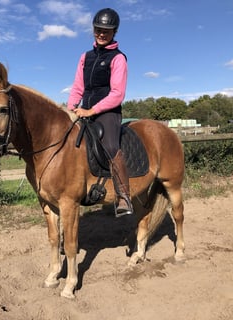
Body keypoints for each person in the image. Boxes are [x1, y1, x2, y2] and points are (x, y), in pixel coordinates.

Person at [67, 7, 133, 216]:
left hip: (107, 112)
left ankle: (124, 196)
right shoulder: (85, 57)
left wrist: (92, 110)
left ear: (114, 32)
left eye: (106, 30)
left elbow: (117, 93)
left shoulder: (118, 58)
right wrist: (70, 109)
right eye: (98, 29)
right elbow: (78, 87)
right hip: (83, 109)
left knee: (111, 147)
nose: (101, 34)